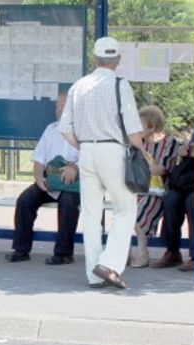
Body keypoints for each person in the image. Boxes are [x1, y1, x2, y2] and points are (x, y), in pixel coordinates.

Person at [59, 36, 145, 290]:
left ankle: (94, 275)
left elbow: (64, 128)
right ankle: (109, 264)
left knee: (91, 214)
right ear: (118, 59)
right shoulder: (120, 85)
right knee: (125, 209)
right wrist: (142, 150)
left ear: (94, 59)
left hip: (86, 151)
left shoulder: (78, 86)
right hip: (113, 151)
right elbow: (133, 129)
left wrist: (83, 146)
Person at [6, 86, 80, 264]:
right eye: (57, 106)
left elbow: (90, 158)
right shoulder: (51, 129)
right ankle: (21, 250)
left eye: (63, 106)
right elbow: (39, 160)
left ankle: (63, 253)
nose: (58, 110)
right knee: (25, 200)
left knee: (68, 203)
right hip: (51, 179)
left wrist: (76, 168)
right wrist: (39, 178)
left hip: (74, 182)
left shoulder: (84, 131)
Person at [130, 105, 182, 268]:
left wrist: (142, 166)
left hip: (158, 191)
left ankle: (142, 252)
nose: (137, 128)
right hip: (138, 188)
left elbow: (161, 169)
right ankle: (124, 252)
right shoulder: (138, 142)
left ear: (152, 126)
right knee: (124, 208)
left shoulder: (170, 142)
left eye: (140, 124)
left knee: (139, 210)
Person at [152, 138, 194, 268]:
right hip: (188, 181)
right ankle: (172, 251)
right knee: (170, 199)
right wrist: (184, 152)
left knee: (193, 201)